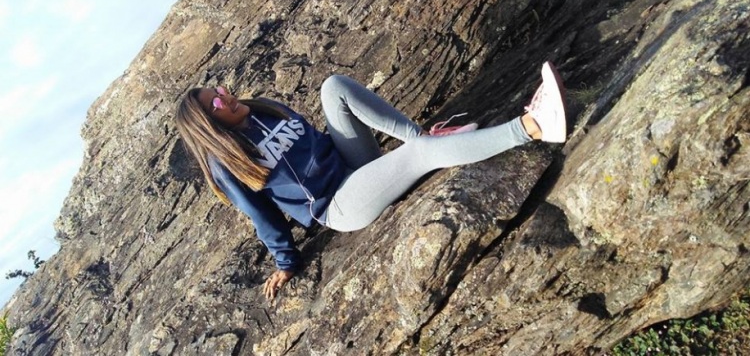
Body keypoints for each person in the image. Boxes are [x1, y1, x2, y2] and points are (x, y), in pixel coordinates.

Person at [175, 61, 566, 300]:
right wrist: (286, 262)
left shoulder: (266, 109)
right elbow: (263, 217)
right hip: (341, 203)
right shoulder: (228, 163)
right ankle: (533, 127)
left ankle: (422, 136)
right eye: (215, 102)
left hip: (352, 165)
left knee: (334, 87)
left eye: (219, 89)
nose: (225, 95)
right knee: (420, 156)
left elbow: (317, 142)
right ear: (208, 124)